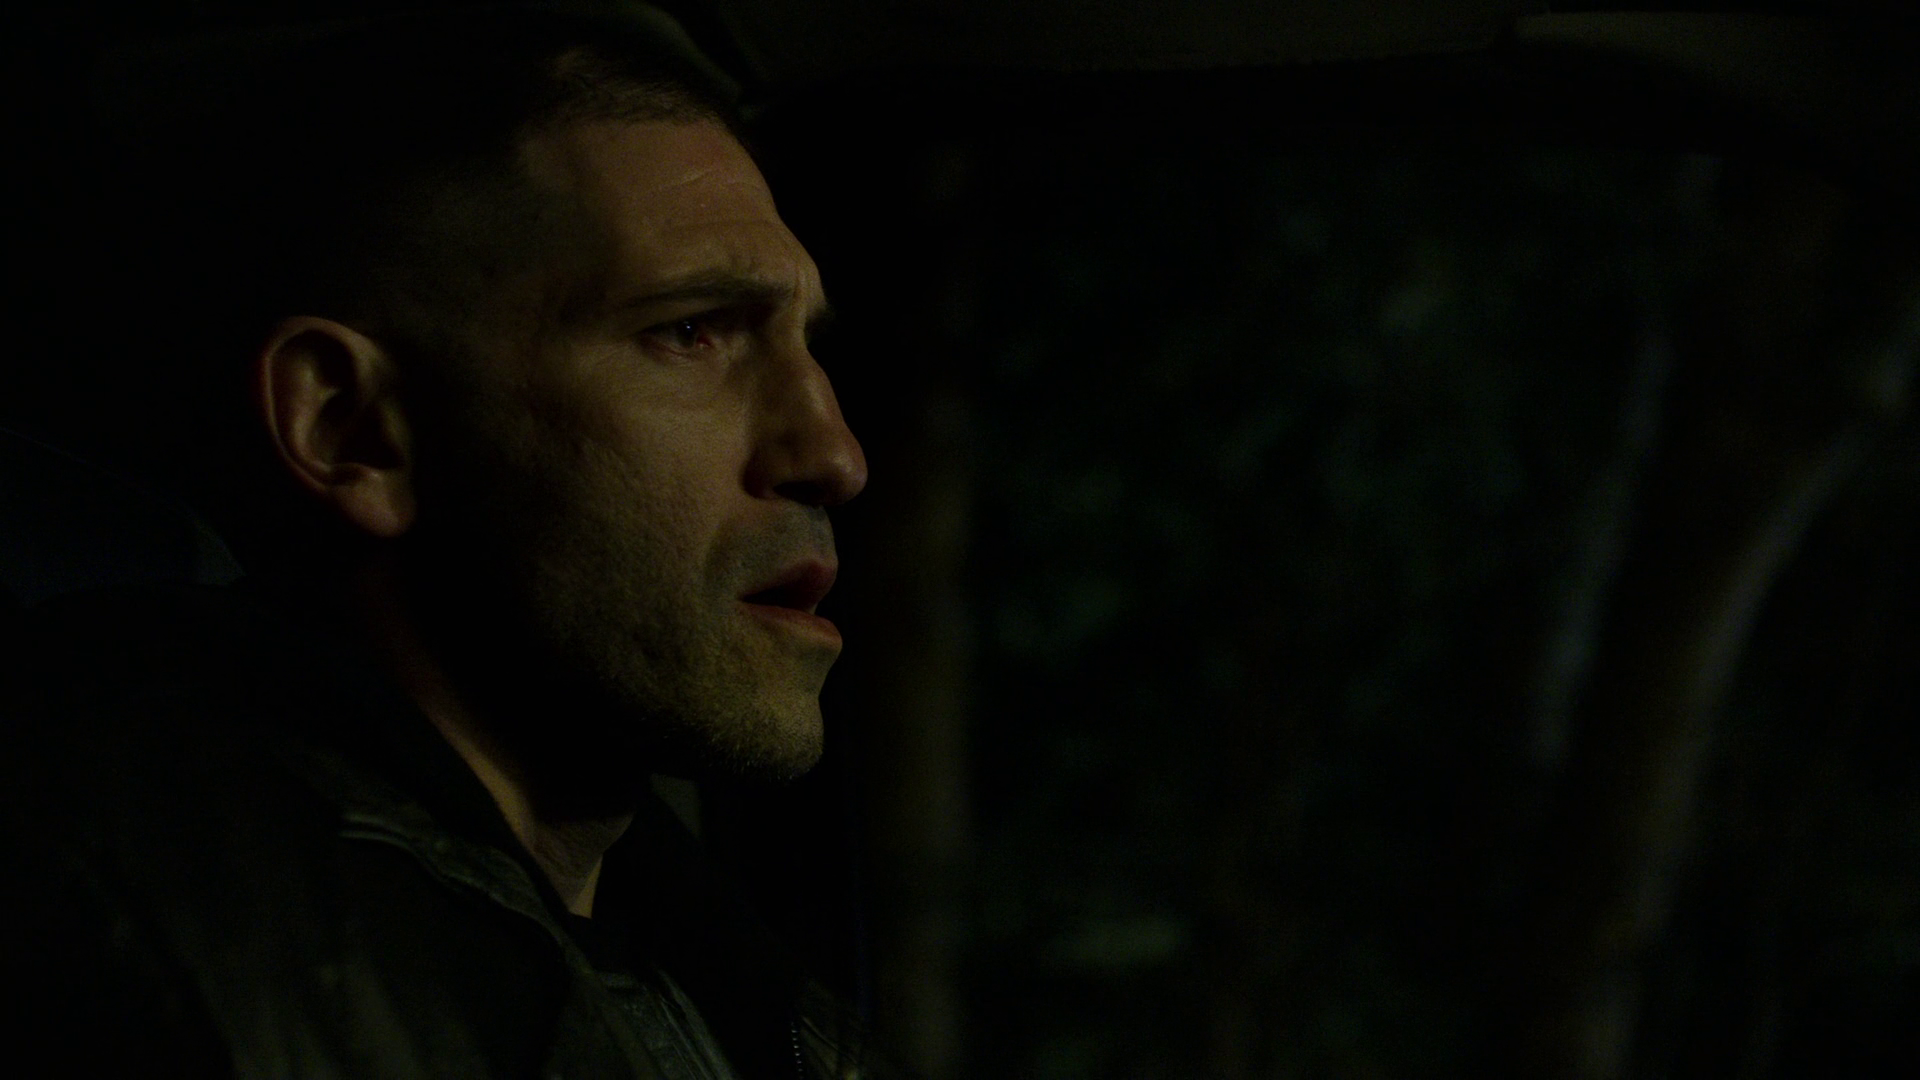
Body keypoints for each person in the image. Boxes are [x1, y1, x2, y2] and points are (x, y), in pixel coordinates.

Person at [0, 6, 892, 1077]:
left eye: (807, 347)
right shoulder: (119, 943)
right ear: (352, 429)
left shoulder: (741, 994)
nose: (834, 456)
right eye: (690, 333)